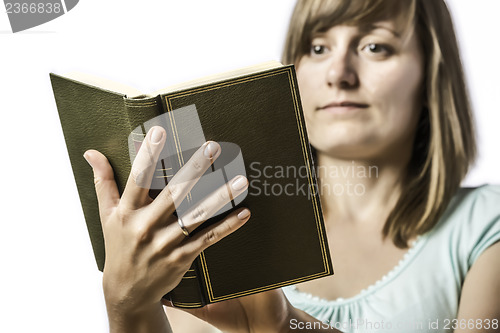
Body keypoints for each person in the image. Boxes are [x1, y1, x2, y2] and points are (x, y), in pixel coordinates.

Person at [82, 0, 500, 332]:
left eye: (375, 46)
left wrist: (287, 328)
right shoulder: (227, 223)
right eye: (318, 48)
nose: (339, 73)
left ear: (432, 73)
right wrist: (127, 307)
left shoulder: (485, 224)